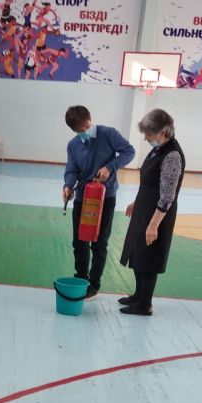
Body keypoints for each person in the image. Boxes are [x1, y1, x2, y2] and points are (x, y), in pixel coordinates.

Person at [62, 105, 135, 298]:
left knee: (99, 243)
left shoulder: (108, 134)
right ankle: (81, 277)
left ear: (90, 120)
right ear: (74, 130)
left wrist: (110, 167)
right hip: (82, 198)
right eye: (80, 131)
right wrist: (68, 186)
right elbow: (71, 170)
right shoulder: (73, 145)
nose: (85, 132)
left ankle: (94, 284)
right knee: (79, 241)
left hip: (105, 198)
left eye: (87, 127)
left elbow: (129, 151)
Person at [119, 109, 185, 316]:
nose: (146, 138)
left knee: (149, 258)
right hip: (145, 209)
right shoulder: (159, 150)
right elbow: (150, 182)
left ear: (163, 132)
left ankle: (144, 305)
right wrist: (136, 203)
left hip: (157, 215)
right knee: (138, 254)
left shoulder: (172, 155)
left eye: (149, 134)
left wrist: (154, 225)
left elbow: (167, 196)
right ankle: (138, 295)